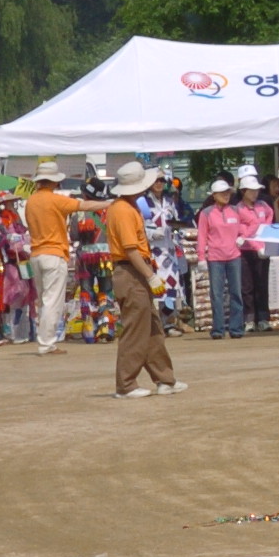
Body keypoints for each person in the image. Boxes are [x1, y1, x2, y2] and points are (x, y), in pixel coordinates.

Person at [105, 162, 181, 397]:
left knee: (152, 327)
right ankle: (126, 385)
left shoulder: (127, 207)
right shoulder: (123, 211)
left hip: (136, 270)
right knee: (136, 329)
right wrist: (150, 276)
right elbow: (130, 249)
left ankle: (164, 378)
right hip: (131, 271)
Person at [22, 159, 106, 357]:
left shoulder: (31, 201)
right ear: (53, 182)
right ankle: (47, 344)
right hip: (54, 253)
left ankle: (44, 339)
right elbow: (84, 205)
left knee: (43, 300)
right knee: (52, 301)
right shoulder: (55, 199)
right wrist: (109, 203)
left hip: (36, 253)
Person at [196, 177, 245, 339]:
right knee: (217, 294)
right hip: (215, 257)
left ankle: (236, 328)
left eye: (228, 192)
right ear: (214, 195)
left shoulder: (236, 210)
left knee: (236, 292)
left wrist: (243, 236)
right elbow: (202, 236)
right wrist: (201, 257)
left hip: (234, 255)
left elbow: (245, 226)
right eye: (222, 193)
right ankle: (218, 329)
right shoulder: (207, 213)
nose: (226, 195)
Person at [235, 168, 275, 332]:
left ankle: (263, 318)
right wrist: (253, 238)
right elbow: (242, 230)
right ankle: (249, 319)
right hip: (245, 251)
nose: (255, 193)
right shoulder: (238, 209)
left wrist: (260, 240)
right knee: (247, 286)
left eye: (256, 190)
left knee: (262, 283)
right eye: (251, 191)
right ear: (243, 191)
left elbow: (267, 222)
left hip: (262, 250)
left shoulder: (264, 206)